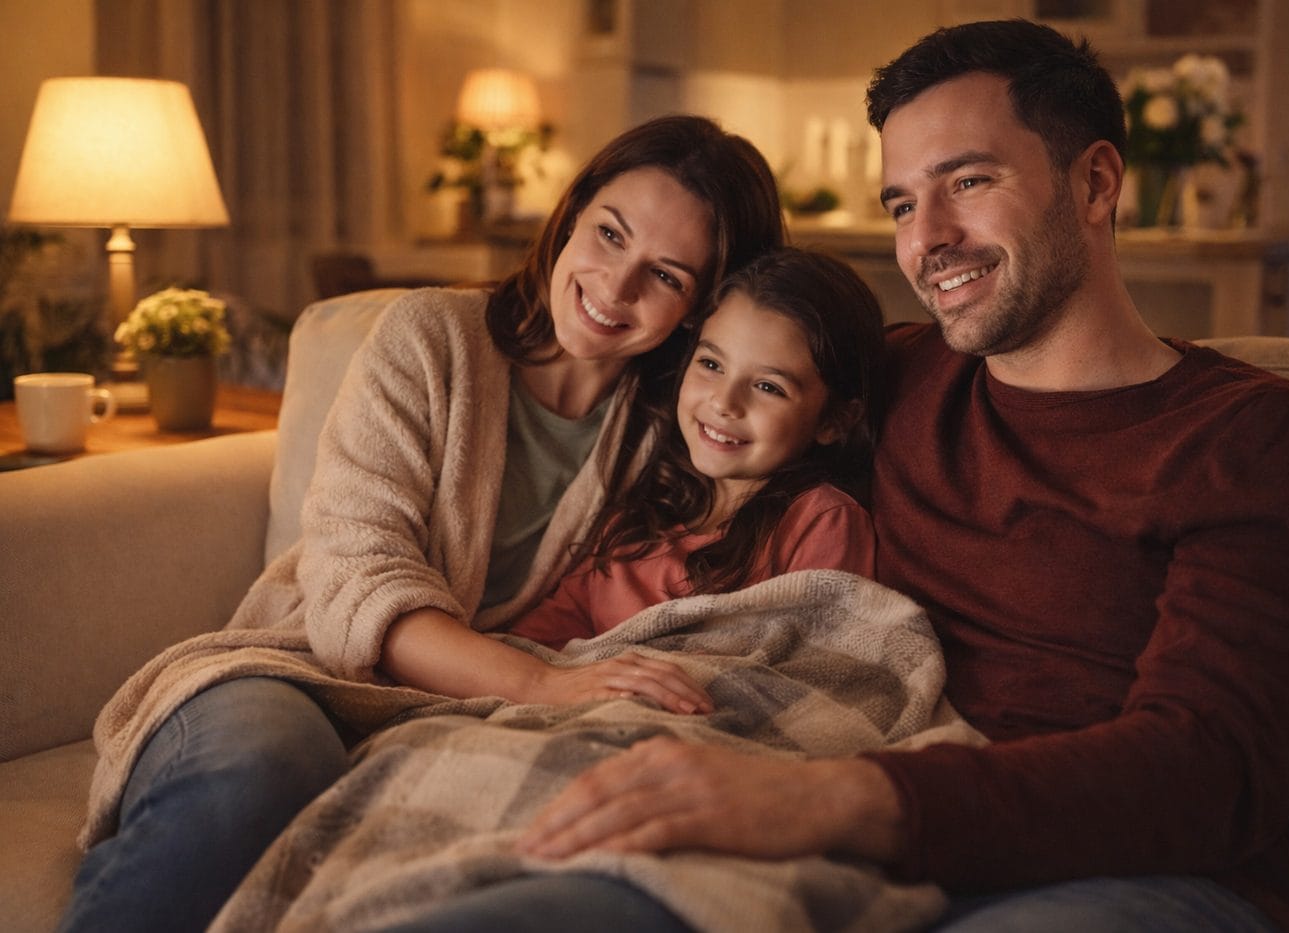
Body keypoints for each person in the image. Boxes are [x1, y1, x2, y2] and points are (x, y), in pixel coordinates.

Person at [514, 20, 1289, 933]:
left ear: (1095, 182)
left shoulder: (1262, 445)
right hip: (851, 834)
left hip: (1133, 879)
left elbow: (1211, 774)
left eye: (968, 182)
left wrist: (834, 801)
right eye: (900, 204)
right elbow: (687, 358)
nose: (926, 239)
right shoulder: (885, 382)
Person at [58, 114, 785, 933]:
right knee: (260, 774)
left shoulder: (680, 424)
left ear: (699, 308)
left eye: (665, 275)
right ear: (571, 213)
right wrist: (546, 684)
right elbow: (356, 578)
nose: (614, 288)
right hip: (302, 668)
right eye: (609, 235)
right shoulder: (430, 336)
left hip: (468, 719)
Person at [508, 246, 886, 656]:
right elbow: (537, 643)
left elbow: (819, 671)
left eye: (768, 387)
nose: (725, 402)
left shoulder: (821, 523)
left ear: (834, 422)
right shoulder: (641, 509)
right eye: (711, 365)